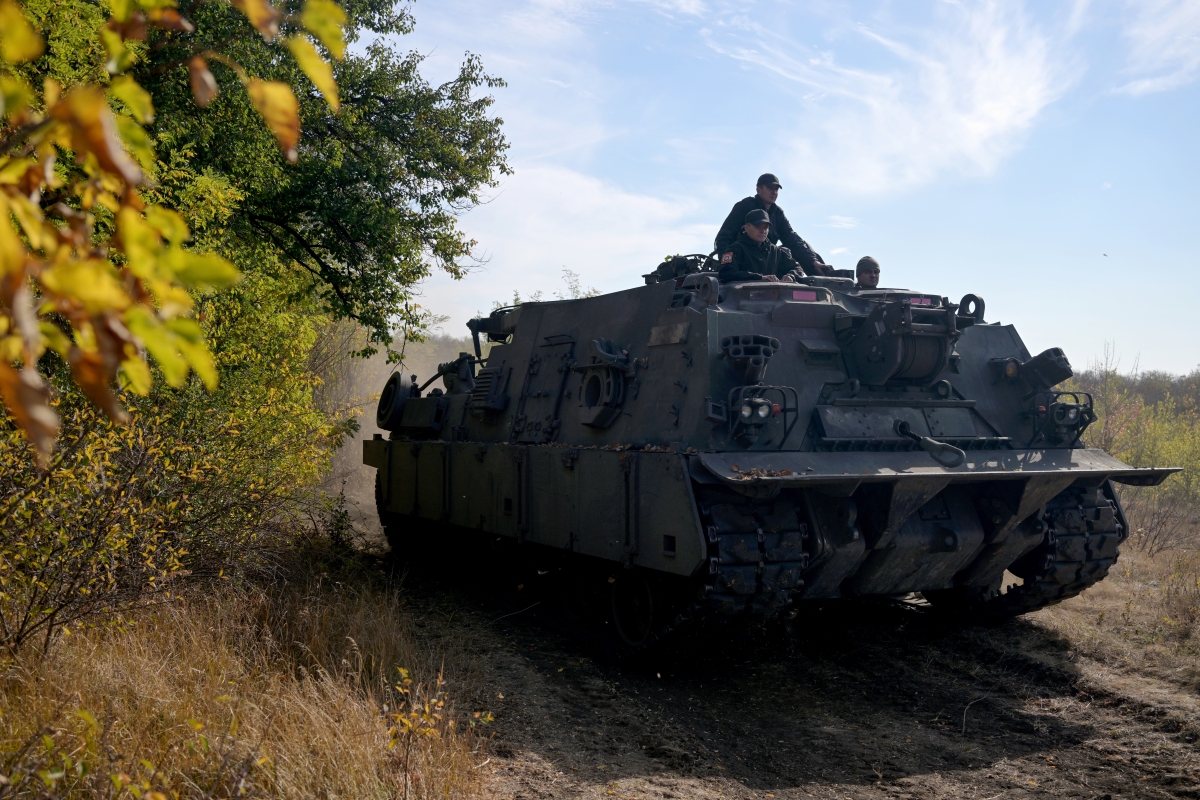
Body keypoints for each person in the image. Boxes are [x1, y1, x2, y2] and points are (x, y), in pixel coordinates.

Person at [714, 173, 832, 276]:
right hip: (745, 261)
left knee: (797, 248)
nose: (774, 192)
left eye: (776, 189)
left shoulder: (777, 213)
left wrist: (813, 261)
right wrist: (727, 265)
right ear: (758, 190)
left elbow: (791, 239)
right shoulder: (744, 206)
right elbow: (724, 237)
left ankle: (824, 278)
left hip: (766, 260)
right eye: (770, 188)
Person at [718, 209, 805, 284]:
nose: (763, 231)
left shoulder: (775, 251)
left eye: (765, 227)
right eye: (758, 227)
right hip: (743, 296)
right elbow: (726, 273)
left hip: (773, 295)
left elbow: (797, 268)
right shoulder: (735, 250)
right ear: (746, 228)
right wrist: (759, 278)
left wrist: (791, 276)